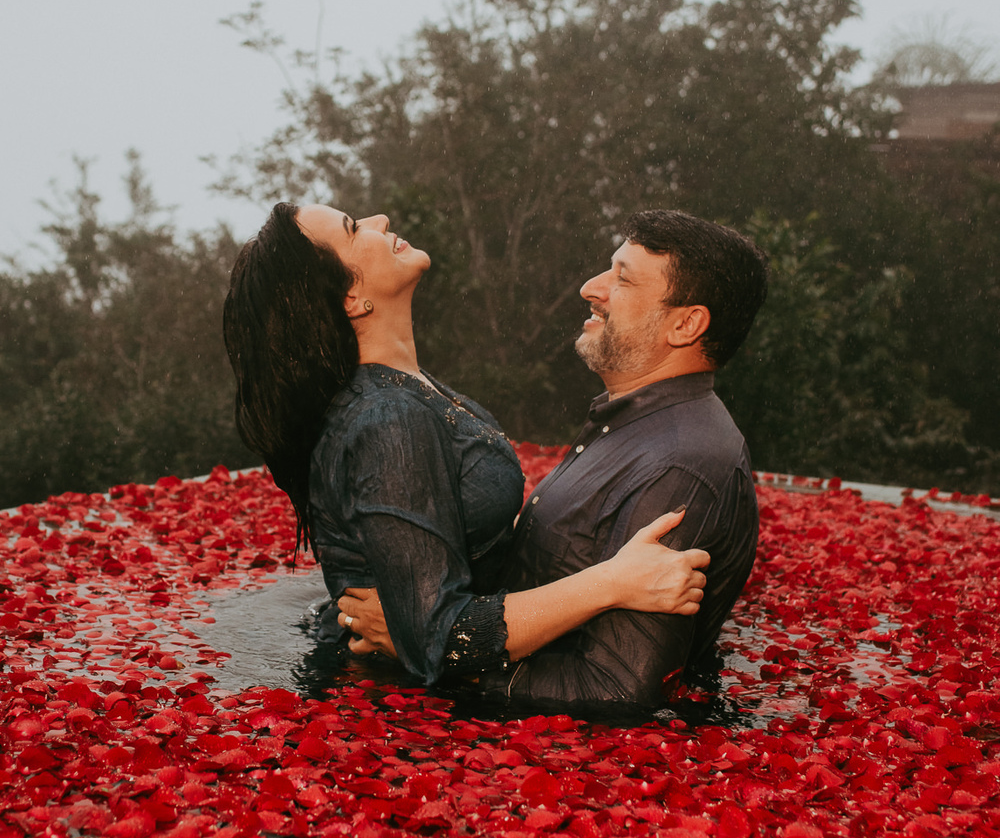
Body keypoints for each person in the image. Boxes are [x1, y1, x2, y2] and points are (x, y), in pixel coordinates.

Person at [222, 203, 711, 687]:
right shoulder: (387, 417)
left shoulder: (410, 387)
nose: (380, 221)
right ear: (351, 296)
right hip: (389, 707)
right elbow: (440, 638)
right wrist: (613, 583)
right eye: (354, 229)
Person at [342, 209, 768, 711]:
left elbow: (616, 686)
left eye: (622, 278)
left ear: (686, 324)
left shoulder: (679, 464)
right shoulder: (634, 422)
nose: (591, 287)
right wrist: (429, 619)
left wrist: (429, 654)